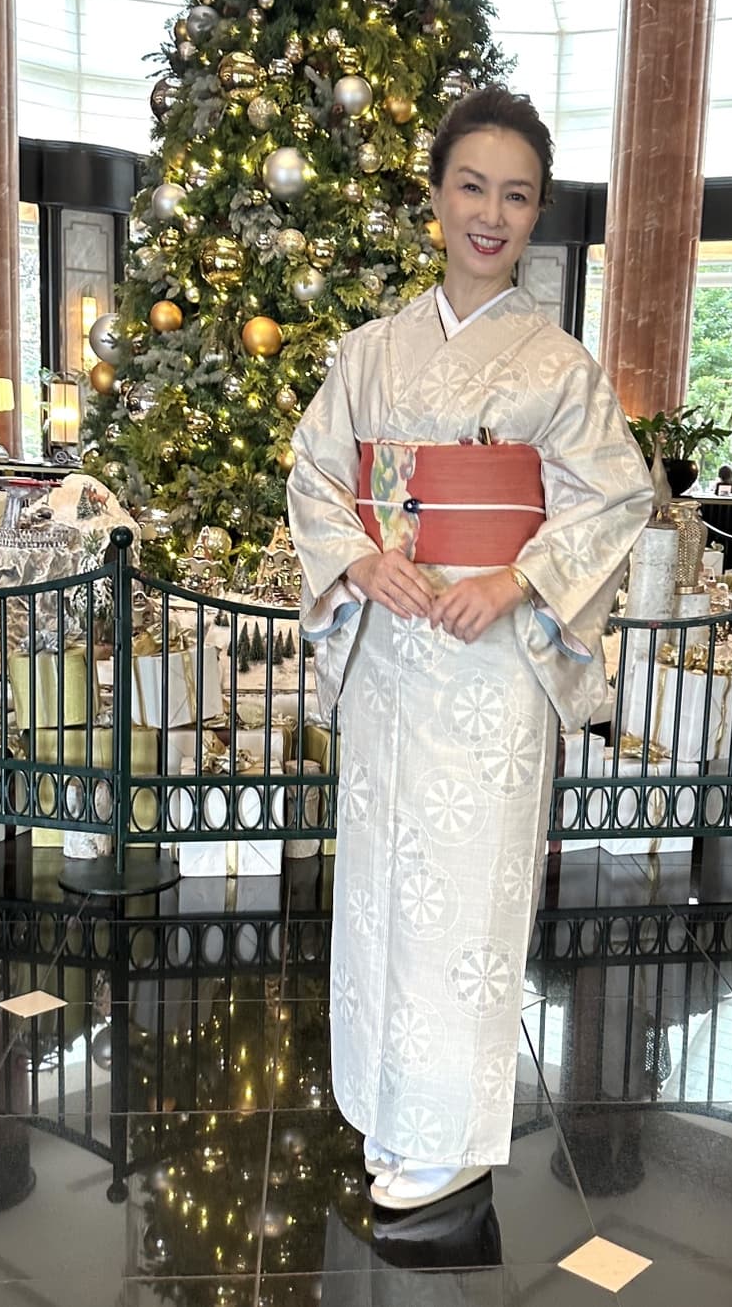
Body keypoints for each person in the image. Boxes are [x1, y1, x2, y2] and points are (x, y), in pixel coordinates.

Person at [287, 87, 652, 1214]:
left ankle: (446, 1132)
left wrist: (515, 579)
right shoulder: (369, 353)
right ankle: (383, 1097)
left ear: (537, 213)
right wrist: (361, 561)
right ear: (437, 197)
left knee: (465, 896)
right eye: (472, 187)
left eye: (517, 196)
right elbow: (316, 476)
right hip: (391, 649)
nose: (491, 214)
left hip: (493, 663)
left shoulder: (559, 365)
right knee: (384, 883)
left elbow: (616, 494)